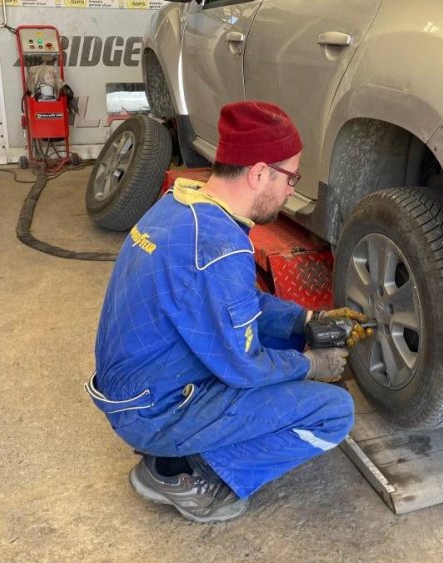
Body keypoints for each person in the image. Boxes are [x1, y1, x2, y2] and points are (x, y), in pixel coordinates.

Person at [87, 101, 368, 523]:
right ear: (258, 173)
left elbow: (237, 304)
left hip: (138, 385)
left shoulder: (182, 204)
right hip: (155, 410)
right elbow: (246, 367)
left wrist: (306, 323)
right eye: (290, 176)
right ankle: (184, 473)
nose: (292, 188)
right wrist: (309, 365)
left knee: (289, 341)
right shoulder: (219, 248)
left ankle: (181, 448)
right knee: (333, 411)